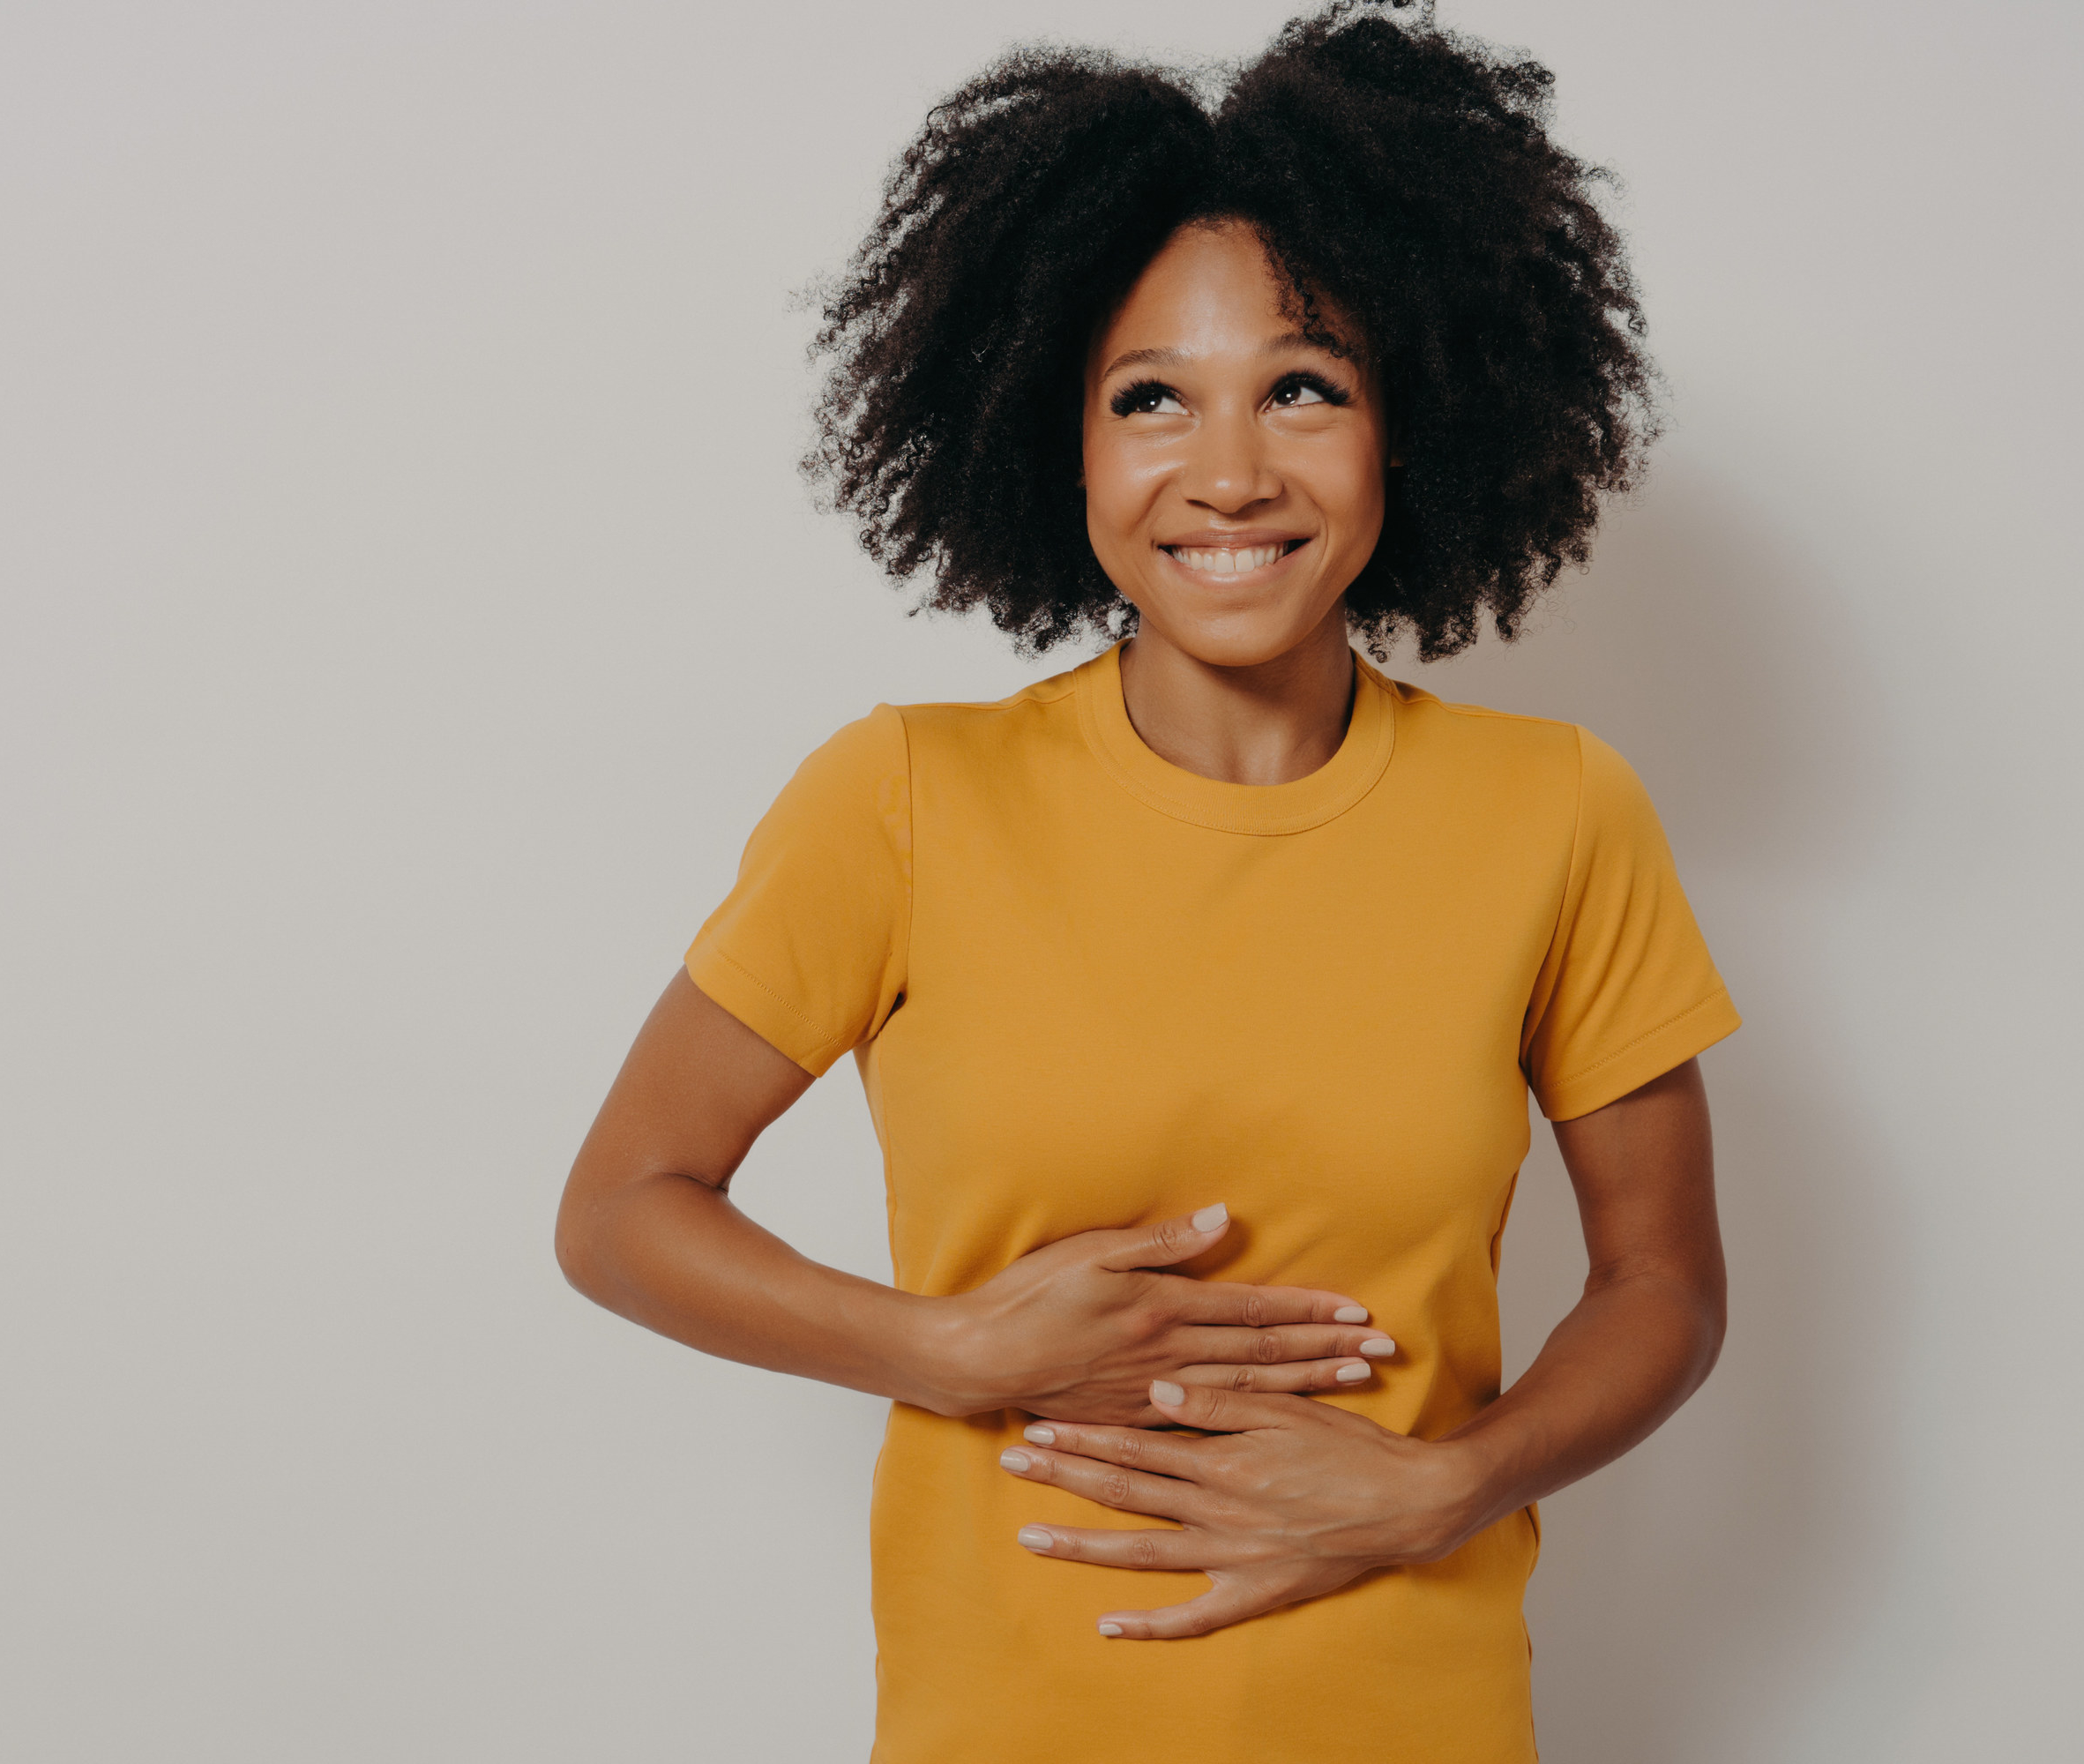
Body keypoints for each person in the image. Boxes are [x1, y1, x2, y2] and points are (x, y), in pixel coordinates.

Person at [555, 4, 1737, 1759]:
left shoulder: (1557, 811)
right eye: (1151, 400)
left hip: (1414, 1715)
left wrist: (1451, 1487)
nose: (1232, 470)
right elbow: (624, 1204)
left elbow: (1664, 1286)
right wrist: (941, 1350)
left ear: (1406, 425)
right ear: (1068, 443)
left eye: (1304, 388)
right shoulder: (899, 797)